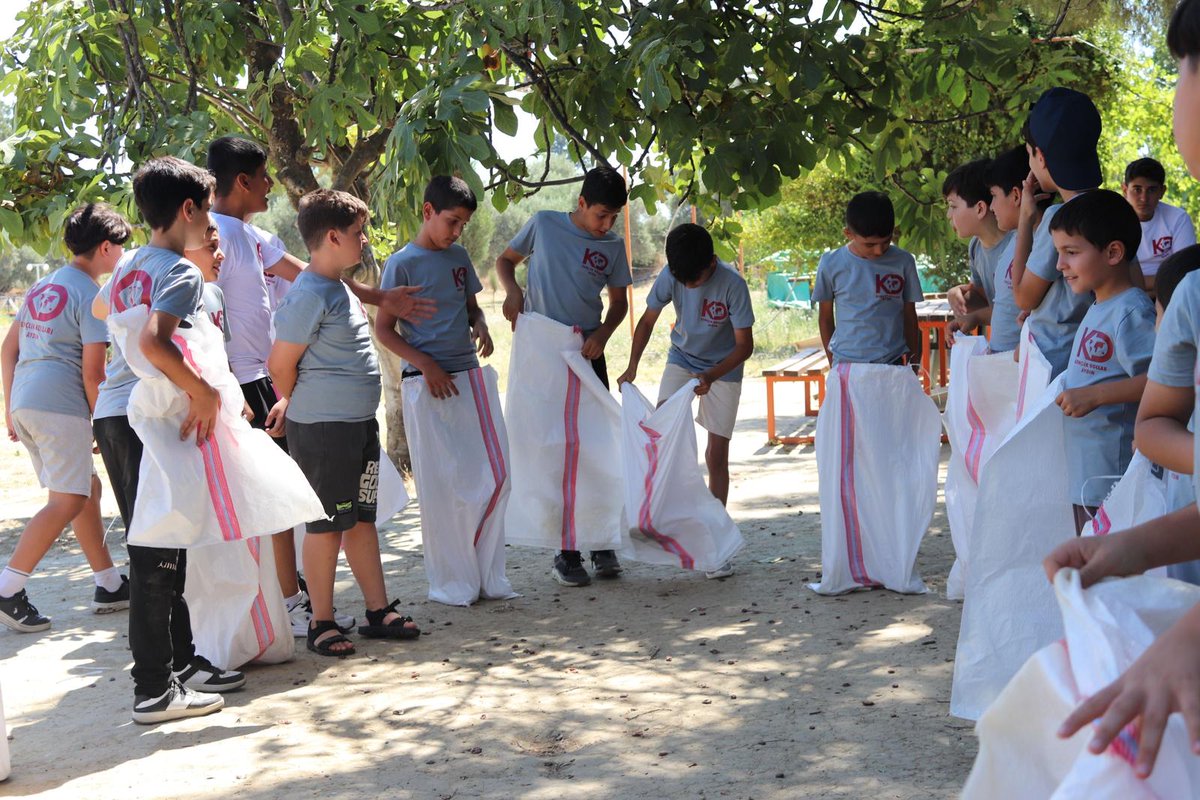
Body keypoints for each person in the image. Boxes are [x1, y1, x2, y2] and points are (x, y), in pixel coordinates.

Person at [1042, 0, 1200, 777]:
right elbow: (1159, 422)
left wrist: (1189, 638)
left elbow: (1144, 408)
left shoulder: (1155, 302)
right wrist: (1131, 548)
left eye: (1183, 68)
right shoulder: (1191, 294)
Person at [206, 136, 433, 634]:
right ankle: (308, 614)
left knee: (348, 517)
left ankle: (366, 609)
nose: (270, 183)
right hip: (256, 390)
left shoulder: (262, 241)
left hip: (334, 414)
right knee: (313, 517)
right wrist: (284, 396)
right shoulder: (212, 237)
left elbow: (314, 272)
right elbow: (279, 347)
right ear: (241, 181)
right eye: (263, 176)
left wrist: (379, 296)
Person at [93, 157, 246, 724]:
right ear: (187, 209)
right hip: (147, 421)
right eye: (206, 211)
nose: (210, 223)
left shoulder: (129, 262)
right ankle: (154, 689)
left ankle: (182, 665)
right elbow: (155, 345)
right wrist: (202, 392)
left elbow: (104, 311)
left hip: (115, 415)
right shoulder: (181, 271)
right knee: (156, 555)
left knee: (160, 546)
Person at [268, 189, 421, 656]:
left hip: (356, 425)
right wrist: (294, 401)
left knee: (359, 520)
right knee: (326, 525)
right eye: (358, 233)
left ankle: (377, 610)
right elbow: (280, 364)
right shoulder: (309, 293)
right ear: (332, 237)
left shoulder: (339, 287)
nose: (365, 239)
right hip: (324, 430)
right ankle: (321, 622)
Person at [375, 176, 517, 606]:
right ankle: (454, 582)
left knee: (494, 476)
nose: (457, 232)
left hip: (468, 378)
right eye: (452, 221)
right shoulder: (400, 264)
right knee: (445, 488)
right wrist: (426, 365)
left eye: (464, 225)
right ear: (427, 212)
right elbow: (384, 330)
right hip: (426, 387)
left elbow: (471, 308)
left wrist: (481, 324)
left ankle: (487, 576)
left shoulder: (458, 257)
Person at [495, 166, 631, 587]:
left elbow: (619, 304)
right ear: (581, 203)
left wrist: (603, 335)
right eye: (601, 215)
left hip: (588, 353)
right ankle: (566, 552)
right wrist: (513, 291)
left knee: (595, 446)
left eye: (614, 217)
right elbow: (505, 261)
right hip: (542, 354)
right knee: (554, 448)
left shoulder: (612, 247)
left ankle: (602, 542)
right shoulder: (544, 225)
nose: (606, 225)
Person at [0, 204, 131, 631]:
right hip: (60, 405)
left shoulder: (44, 284)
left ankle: (109, 584)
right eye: (121, 248)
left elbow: (8, 349)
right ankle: (7, 589)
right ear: (106, 248)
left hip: (26, 401)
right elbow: (93, 374)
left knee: (84, 488)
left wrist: (10, 408)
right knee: (68, 499)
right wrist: (102, 423)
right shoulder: (93, 296)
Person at [617, 223, 754, 578]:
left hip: (724, 367)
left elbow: (745, 346)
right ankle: (658, 520)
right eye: (684, 281)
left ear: (711, 263)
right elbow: (647, 322)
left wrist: (711, 375)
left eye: (695, 280)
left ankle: (716, 545)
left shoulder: (733, 285)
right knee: (661, 435)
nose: (690, 286)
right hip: (682, 358)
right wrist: (632, 366)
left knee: (716, 454)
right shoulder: (673, 275)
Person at [1049, 190, 1156, 533]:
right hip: (1087, 474)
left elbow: (1159, 382)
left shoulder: (1131, 312)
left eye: (1071, 252)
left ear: (1113, 252)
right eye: (1059, 252)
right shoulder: (1099, 306)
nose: (1060, 264)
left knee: (1106, 559)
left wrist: (1094, 395)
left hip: (1113, 475)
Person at [1011, 88, 1110, 377]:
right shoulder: (1112, 210)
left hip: (1052, 364)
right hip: (1094, 358)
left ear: (1040, 157)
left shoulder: (1059, 218)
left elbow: (1023, 297)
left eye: (1029, 154)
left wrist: (1025, 218)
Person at [813, 191, 922, 368]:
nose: (879, 251)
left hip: (893, 362)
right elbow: (825, 318)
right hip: (847, 364)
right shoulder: (830, 263)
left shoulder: (904, 261)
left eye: (886, 241)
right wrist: (833, 363)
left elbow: (910, 316)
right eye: (870, 244)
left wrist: (913, 363)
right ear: (848, 233)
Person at [944, 159, 1016, 348]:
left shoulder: (1019, 244)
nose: (948, 215)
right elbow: (986, 300)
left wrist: (975, 317)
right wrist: (959, 295)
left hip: (1026, 351)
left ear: (980, 208)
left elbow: (1014, 308)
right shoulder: (975, 247)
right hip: (1001, 350)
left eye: (953, 206)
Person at [981, 146, 1037, 353]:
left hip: (1023, 360)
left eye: (994, 196)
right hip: (1003, 359)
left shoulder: (1046, 240)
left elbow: (1023, 300)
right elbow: (1004, 305)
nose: (992, 206)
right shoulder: (1014, 239)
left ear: (1015, 195)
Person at [1121, 157, 1197, 292]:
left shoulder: (1178, 219)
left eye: (1151, 190)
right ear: (1125, 190)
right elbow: (1110, 276)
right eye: (1137, 189)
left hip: (1171, 293)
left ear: (1162, 191)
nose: (1144, 198)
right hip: (1127, 293)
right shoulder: (1114, 221)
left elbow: (1185, 272)